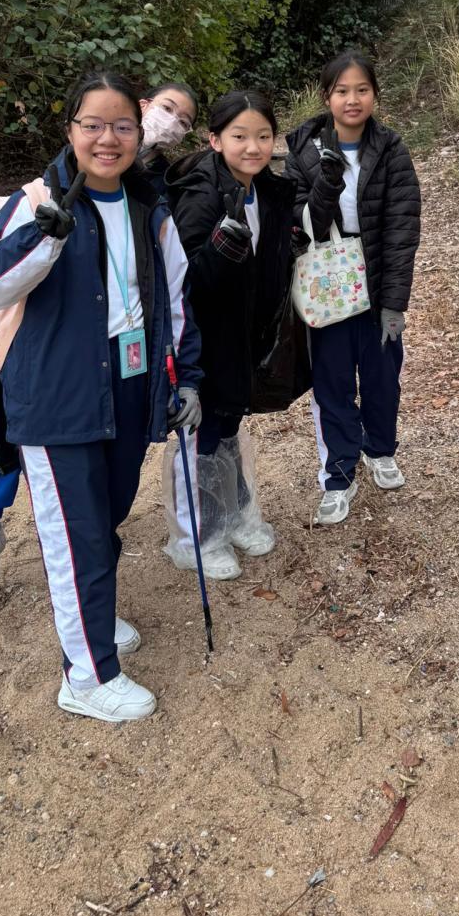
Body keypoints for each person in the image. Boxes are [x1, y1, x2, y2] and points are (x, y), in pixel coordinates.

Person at [0, 70, 201, 722]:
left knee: (107, 514)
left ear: (139, 131)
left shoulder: (150, 207)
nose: (107, 139)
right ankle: (88, 676)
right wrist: (40, 237)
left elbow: (176, 301)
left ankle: (93, 616)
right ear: (70, 130)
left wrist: (187, 378)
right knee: (78, 534)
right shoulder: (36, 200)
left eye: (121, 126)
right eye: (92, 125)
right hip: (55, 395)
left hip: (129, 385)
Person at [163, 89, 296, 580]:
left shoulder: (267, 190)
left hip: (246, 331)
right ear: (215, 140)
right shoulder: (202, 195)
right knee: (203, 432)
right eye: (239, 136)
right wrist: (219, 250)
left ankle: (235, 514)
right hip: (206, 338)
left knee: (229, 424)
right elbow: (182, 283)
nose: (253, 147)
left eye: (263, 136)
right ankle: (195, 537)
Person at [285, 51, 421, 526]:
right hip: (328, 284)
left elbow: (403, 227)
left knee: (383, 376)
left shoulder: (390, 147)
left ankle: (380, 449)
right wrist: (326, 181)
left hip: (378, 280)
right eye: (342, 90)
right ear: (327, 96)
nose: (352, 99)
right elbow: (299, 224)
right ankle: (339, 474)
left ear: (375, 95)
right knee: (333, 382)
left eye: (362, 89)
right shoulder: (303, 148)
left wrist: (395, 303)